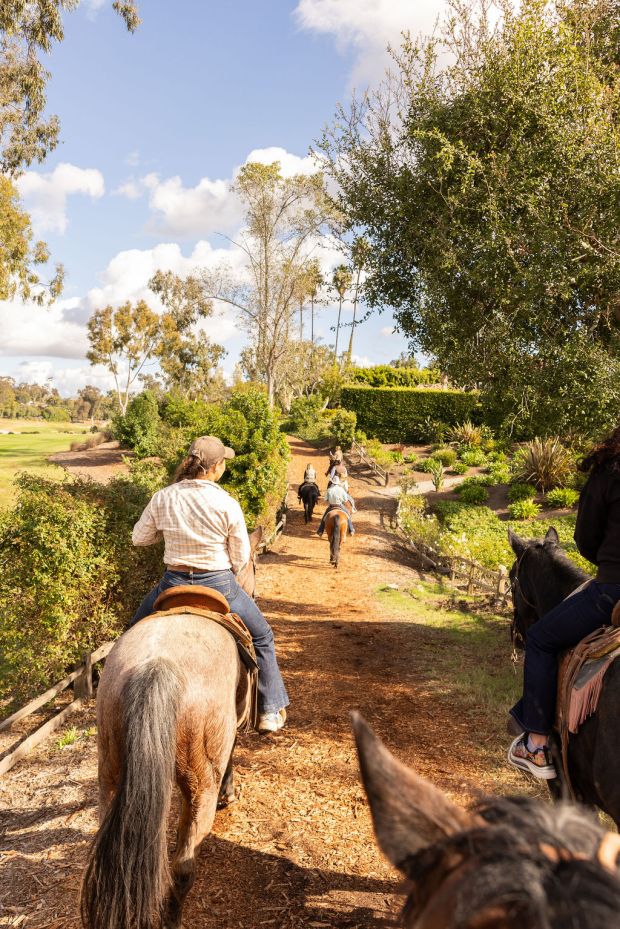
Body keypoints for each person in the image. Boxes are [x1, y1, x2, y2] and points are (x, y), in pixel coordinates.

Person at [128, 435, 289, 735]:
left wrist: (173, 534)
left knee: (130, 636)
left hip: (172, 582)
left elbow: (140, 538)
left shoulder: (163, 497)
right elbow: (241, 557)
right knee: (264, 636)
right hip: (219, 585)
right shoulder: (226, 502)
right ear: (215, 467)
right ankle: (268, 709)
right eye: (224, 462)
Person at [507, 425, 620, 779]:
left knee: (540, 638)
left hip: (612, 591)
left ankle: (537, 745)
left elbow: (585, 538)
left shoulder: (610, 471)